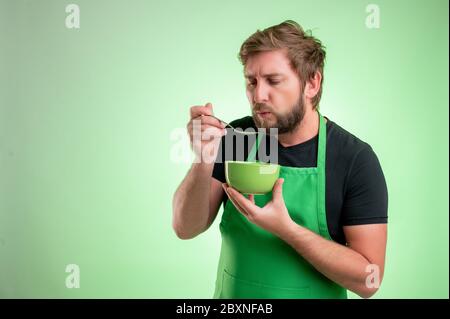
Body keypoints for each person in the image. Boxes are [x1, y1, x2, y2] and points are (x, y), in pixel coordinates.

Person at [172, 20, 388, 299]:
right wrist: (203, 158)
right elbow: (185, 228)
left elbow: (369, 281)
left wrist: (288, 230)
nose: (258, 95)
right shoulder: (238, 137)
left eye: (273, 81)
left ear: (312, 83)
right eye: (251, 81)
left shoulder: (353, 159)